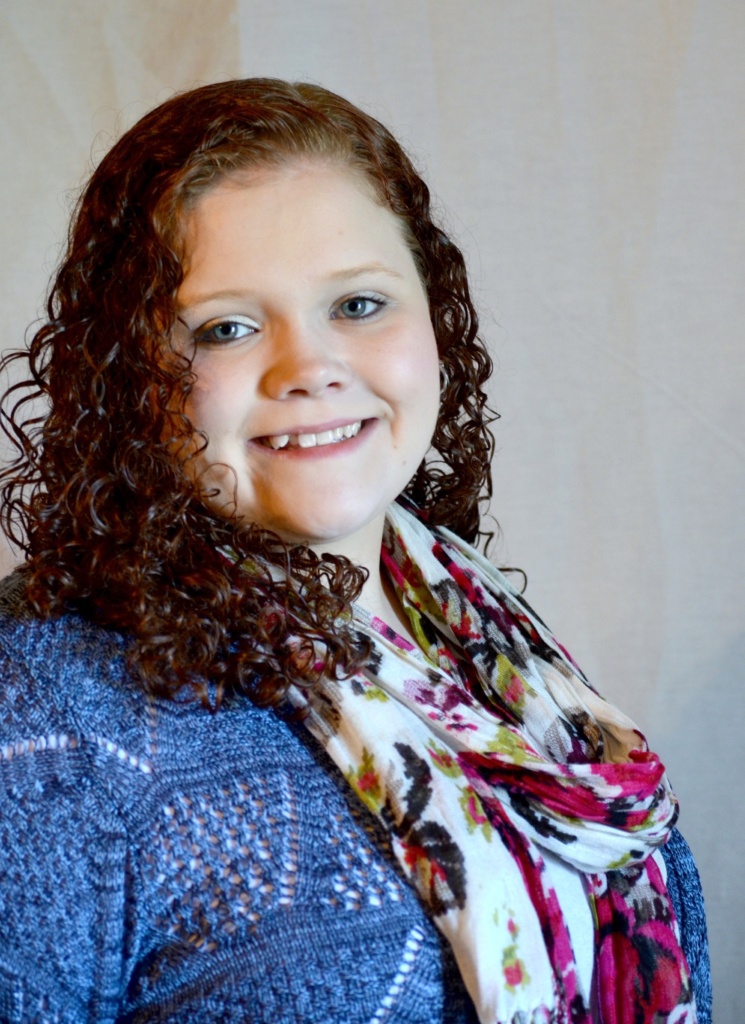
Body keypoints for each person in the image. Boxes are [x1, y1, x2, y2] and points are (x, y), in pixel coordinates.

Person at [0, 78, 710, 1024]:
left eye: (359, 304)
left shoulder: (483, 646)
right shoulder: (44, 712)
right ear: (128, 371)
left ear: (434, 318)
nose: (309, 368)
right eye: (227, 327)